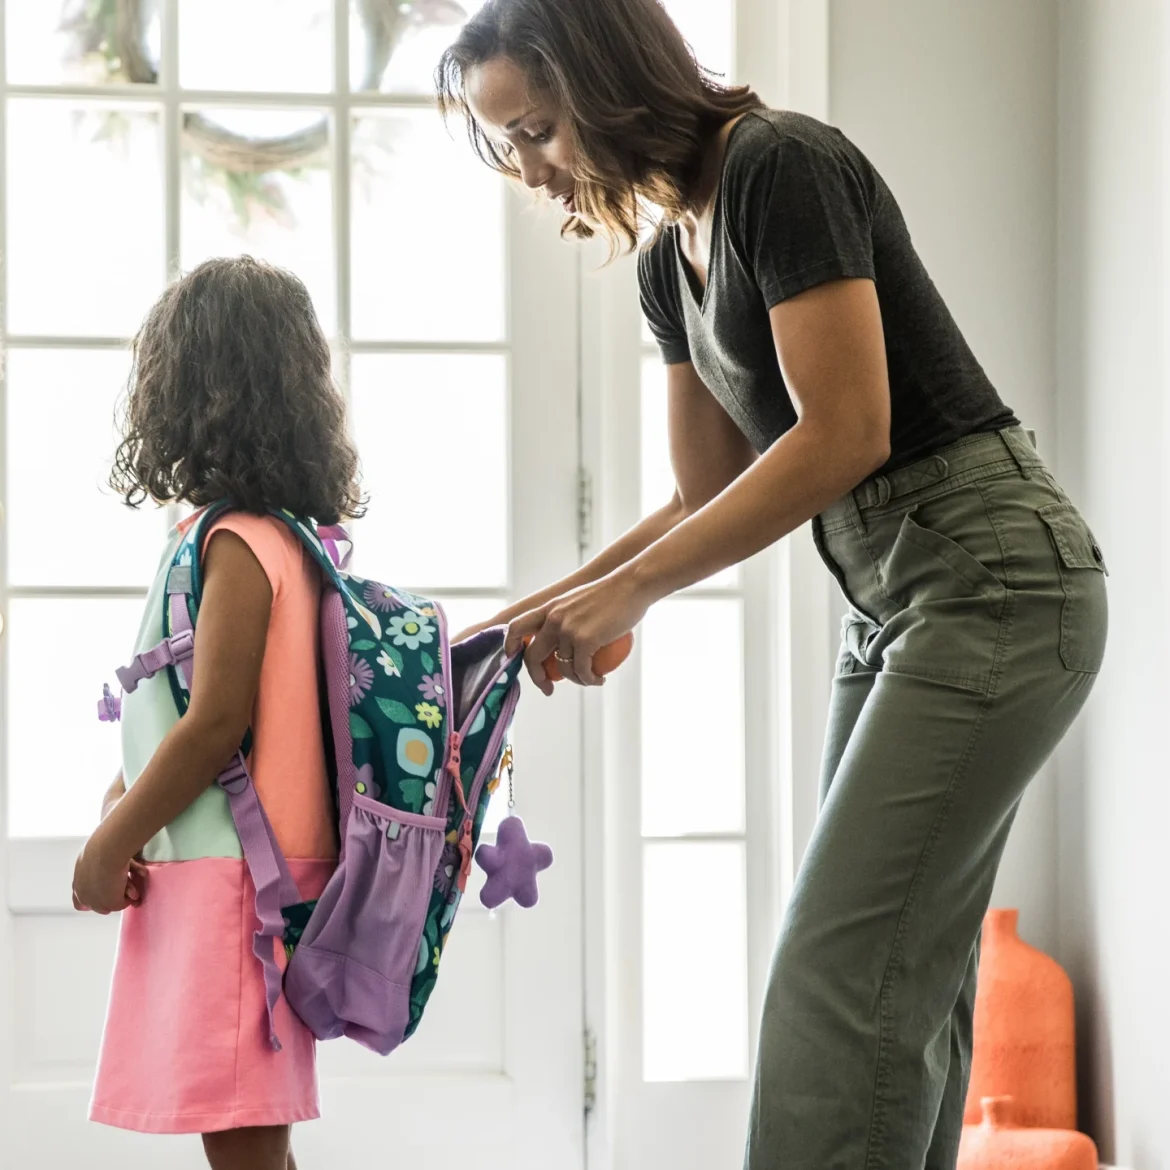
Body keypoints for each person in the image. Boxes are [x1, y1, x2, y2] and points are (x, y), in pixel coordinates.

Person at [437, 2, 1108, 1166]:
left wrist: (630, 595)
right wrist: (543, 611)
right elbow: (709, 494)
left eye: (537, 130)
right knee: (907, 977)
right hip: (895, 596)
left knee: (837, 971)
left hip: (992, 574)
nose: (531, 170)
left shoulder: (779, 167)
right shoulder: (667, 267)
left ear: (603, 81)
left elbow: (846, 431)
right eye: (509, 145)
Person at [75, 257, 364, 1170]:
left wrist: (110, 839)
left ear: (186, 391)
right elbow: (176, 709)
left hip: (239, 880)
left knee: (242, 1135)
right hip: (222, 869)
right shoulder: (259, 537)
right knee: (240, 1131)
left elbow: (214, 723)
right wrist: (125, 806)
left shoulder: (239, 542)